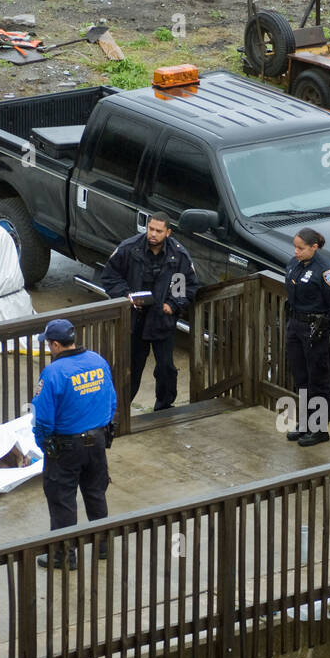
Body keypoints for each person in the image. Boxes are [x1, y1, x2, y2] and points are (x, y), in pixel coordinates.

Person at [31, 318, 116, 570]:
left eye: (48, 344)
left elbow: (42, 417)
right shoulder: (97, 361)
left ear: (56, 345)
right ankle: (103, 546)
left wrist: (44, 443)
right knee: (96, 492)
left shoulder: (53, 373)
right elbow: (112, 399)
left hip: (66, 446)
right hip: (97, 441)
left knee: (62, 500)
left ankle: (63, 556)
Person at [99, 212, 199, 411]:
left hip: (162, 320)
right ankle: (117, 411)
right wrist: (127, 296)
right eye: (151, 229)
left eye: (158, 231)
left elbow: (186, 286)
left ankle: (164, 408)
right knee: (129, 368)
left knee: (166, 369)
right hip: (134, 319)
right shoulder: (129, 248)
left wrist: (172, 305)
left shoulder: (178, 256)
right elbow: (110, 277)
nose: (153, 234)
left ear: (168, 232)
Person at [283, 227, 330, 446]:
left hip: (315, 328)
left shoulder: (325, 271)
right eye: (295, 247)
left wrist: (325, 328)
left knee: (318, 380)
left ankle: (319, 427)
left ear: (314, 247)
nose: (296, 252)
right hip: (295, 324)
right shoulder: (294, 263)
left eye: (301, 248)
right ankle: (305, 422)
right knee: (301, 377)